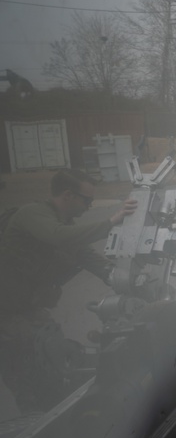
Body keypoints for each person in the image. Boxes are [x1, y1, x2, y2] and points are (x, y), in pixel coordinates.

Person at [0, 168, 138, 413]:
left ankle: (54, 413)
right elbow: (60, 237)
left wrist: (124, 278)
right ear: (67, 195)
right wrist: (110, 222)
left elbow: (89, 257)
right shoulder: (33, 215)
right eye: (87, 200)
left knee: (55, 361)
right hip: (7, 314)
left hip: (29, 310)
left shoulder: (63, 225)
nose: (90, 205)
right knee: (30, 375)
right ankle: (37, 432)